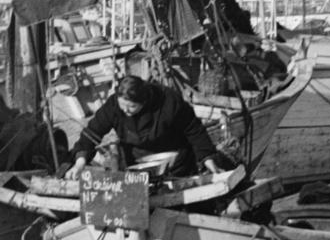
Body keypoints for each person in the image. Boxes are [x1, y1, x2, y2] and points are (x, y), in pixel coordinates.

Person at [65, 75, 235, 178]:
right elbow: (92, 132)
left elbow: (194, 130)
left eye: (131, 107)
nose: (126, 111)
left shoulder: (169, 101)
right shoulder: (114, 107)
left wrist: (209, 161)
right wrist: (80, 163)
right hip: (136, 165)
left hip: (176, 162)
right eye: (122, 106)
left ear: (144, 102)